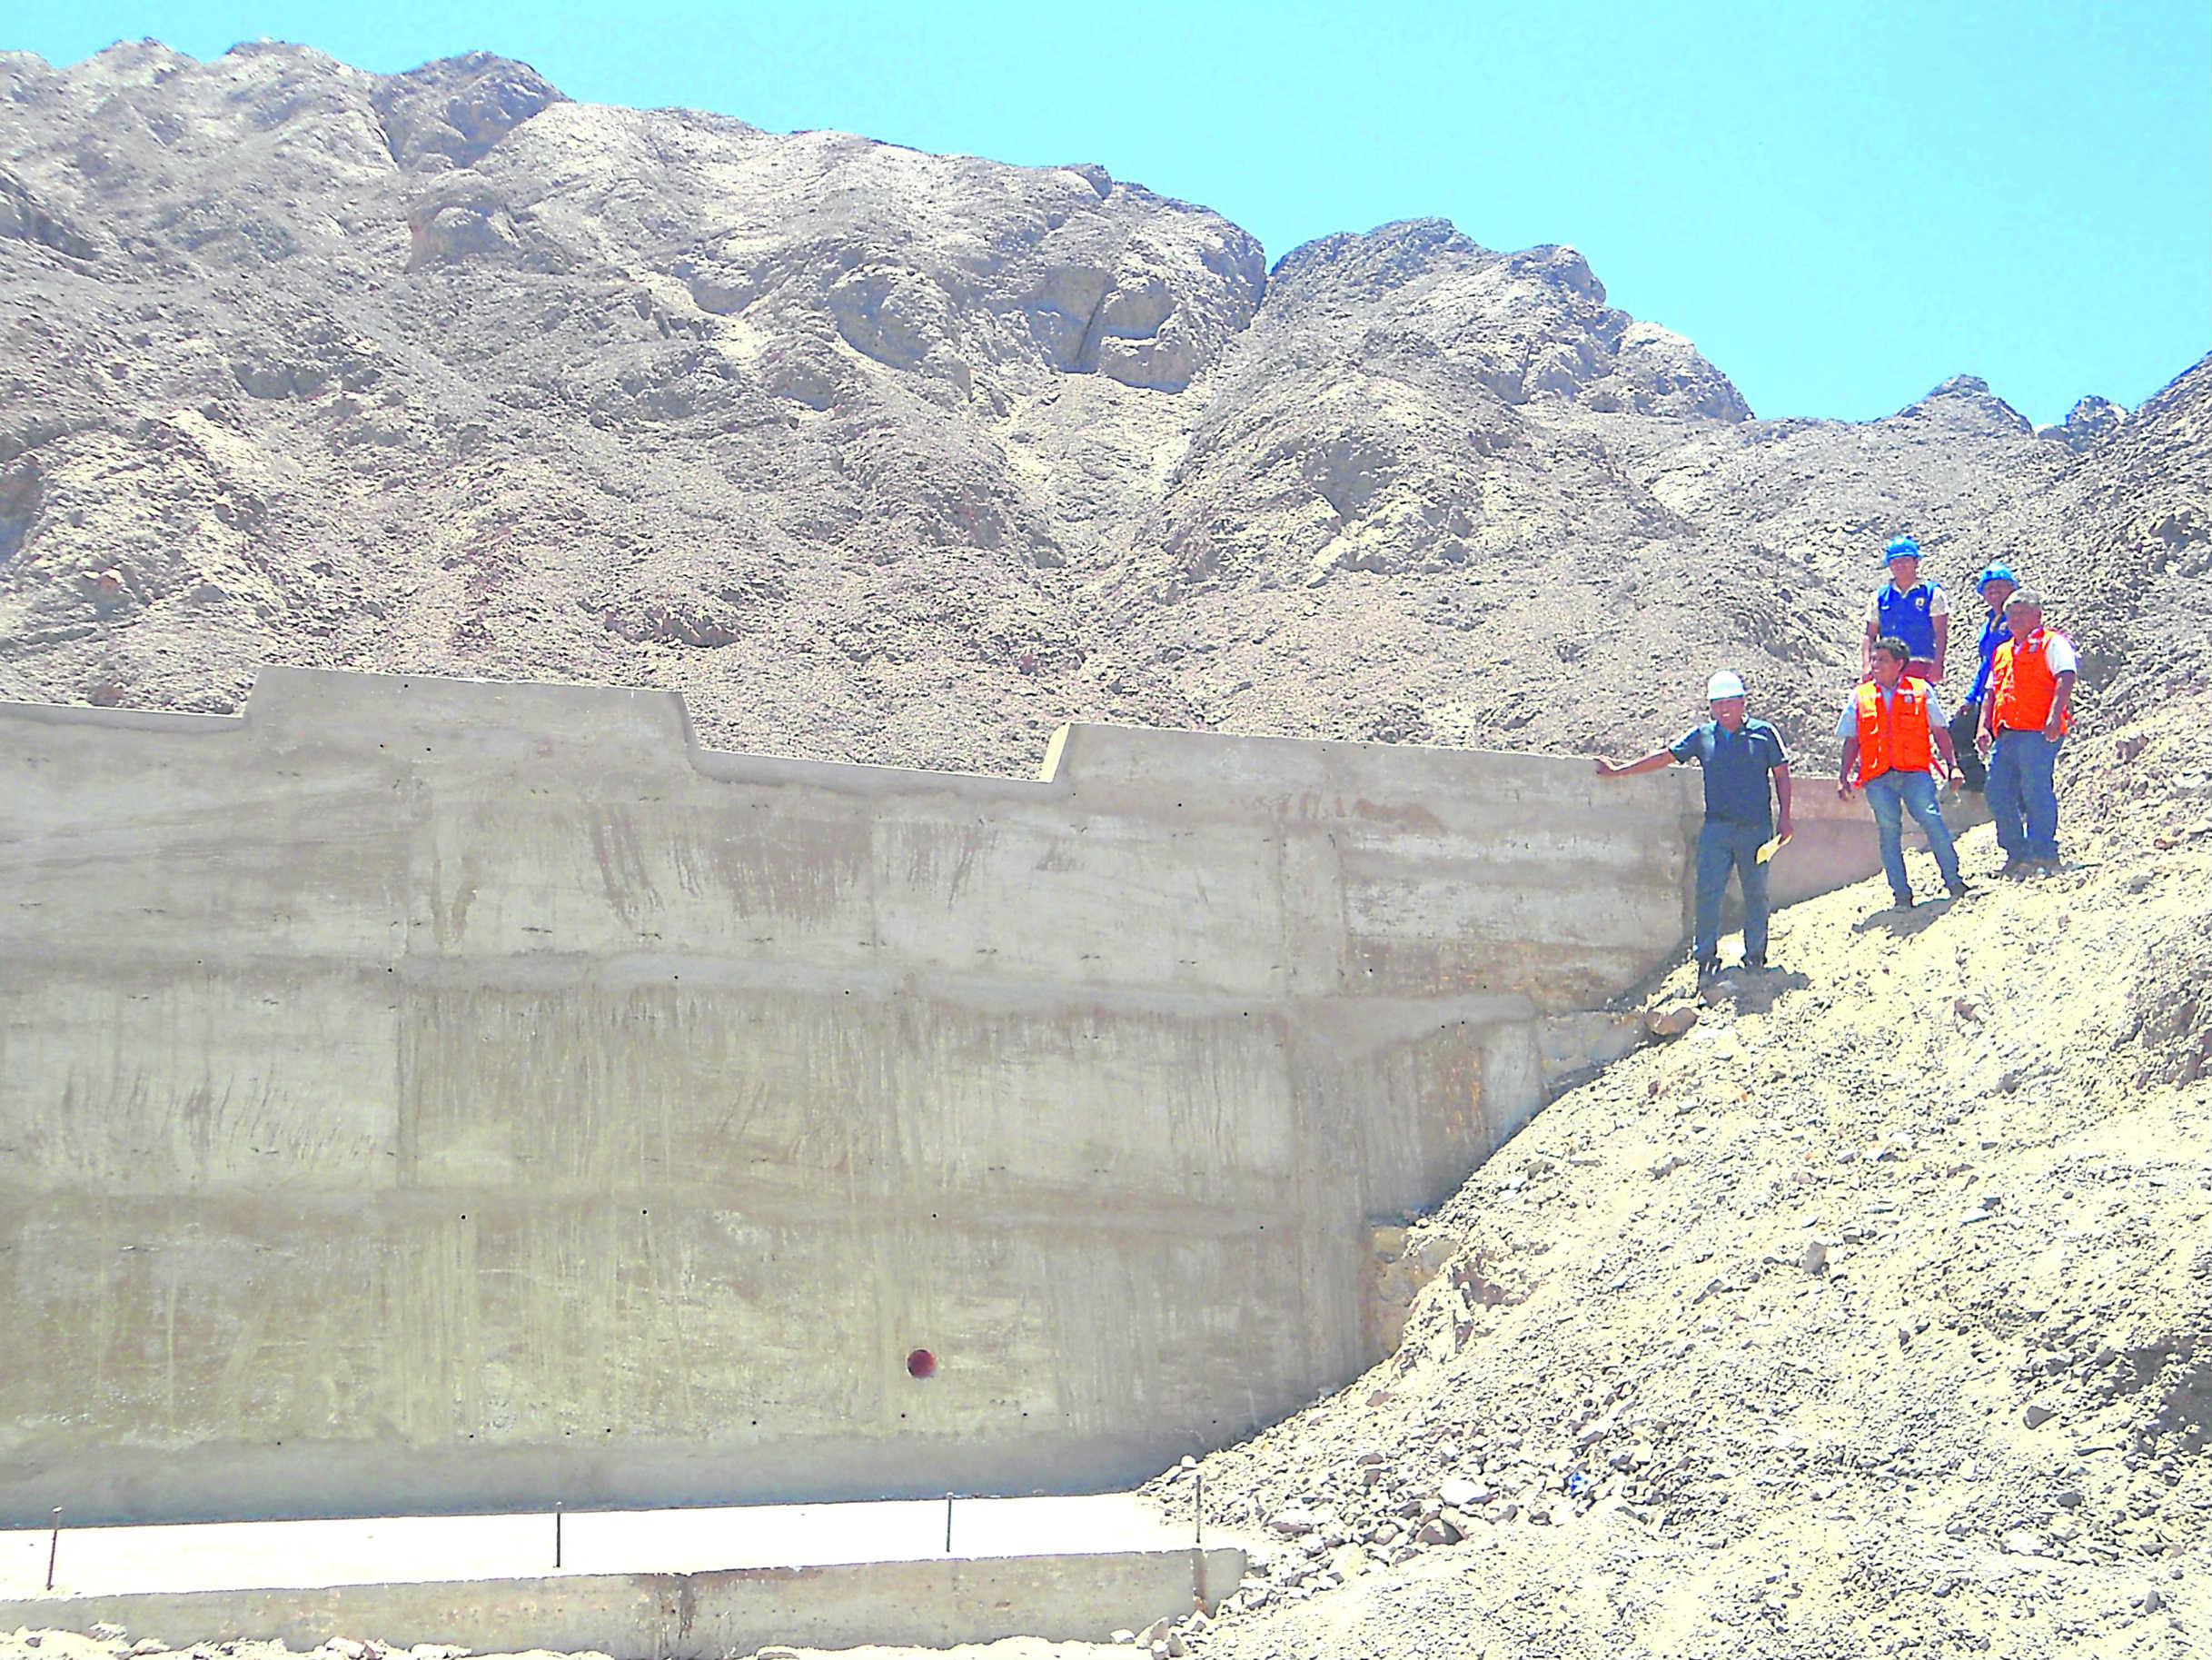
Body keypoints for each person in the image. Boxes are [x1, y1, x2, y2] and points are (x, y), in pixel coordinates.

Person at [1595, 669, 1793, 982]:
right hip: (1716, 829)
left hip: (1755, 831)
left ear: (1743, 702)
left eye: (1730, 702)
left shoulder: (1764, 733)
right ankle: (1706, 957)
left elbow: (1782, 775)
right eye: (1717, 704)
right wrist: (1619, 771)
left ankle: (1755, 956)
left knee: (1756, 893)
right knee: (1708, 892)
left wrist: (1785, 817)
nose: (1724, 709)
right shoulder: (1702, 736)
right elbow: (1666, 757)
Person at [1838, 637, 1969, 910]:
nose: (1875, 665)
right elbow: (1852, 739)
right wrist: (1844, 776)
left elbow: (1939, 731)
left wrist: (1952, 766)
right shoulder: (1860, 695)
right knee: (1889, 833)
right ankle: (1901, 896)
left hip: (1914, 772)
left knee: (1932, 821)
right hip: (1877, 776)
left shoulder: (1921, 690)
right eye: (1874, 659)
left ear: (1899, 664)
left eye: (1882, 660)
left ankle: (1955, 882)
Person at [1981, 588, 2078, 876]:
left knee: (2035, 790)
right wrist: (1983, 726)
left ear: (2038, 615)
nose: (2015, 619)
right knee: (1997, 791)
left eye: (2022, 613)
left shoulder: (2052, 643)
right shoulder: (2002, 651)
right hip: (2007, 732)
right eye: (2011, 614)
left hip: (2038, 731)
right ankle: (2016, 852)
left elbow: (2066, 676)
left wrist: (2054, 715)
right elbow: (1991, 692)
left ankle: (2043, 853)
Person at [1949, 564, 2019, 792]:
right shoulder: (1990, 623)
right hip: (1987, 690)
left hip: (2008, 691)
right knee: (1958, 730)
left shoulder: (2017, 619)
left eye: (2000, 586)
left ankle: (2013, 792)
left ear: (2012, 588)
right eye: (1989, 588)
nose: (1994, 591)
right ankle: (1977, 782)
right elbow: (1986, 664)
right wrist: (1971, 697)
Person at [1861, 535, 1950, 684]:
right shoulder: (1879, 596)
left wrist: (1938, 663)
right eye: (1895, 561)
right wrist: (1867, 665)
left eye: (1905, 560)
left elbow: (1941, 632)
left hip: (1921, 664)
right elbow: (1870, 635)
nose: (1900, 565)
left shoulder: (1932, 593)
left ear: (1916, 562)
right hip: (1887, 667)